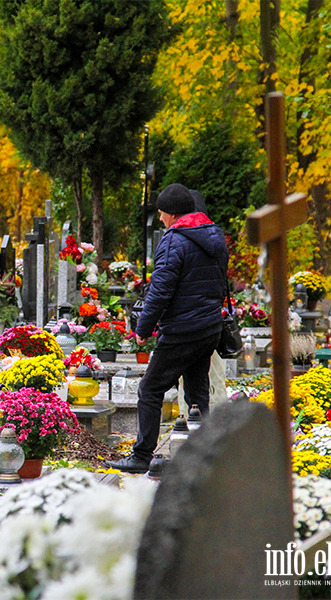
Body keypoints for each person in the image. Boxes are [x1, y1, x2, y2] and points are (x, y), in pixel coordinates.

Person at [106, 183, 229, 473]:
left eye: (162, 213)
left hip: (182, 330)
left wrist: (143, 328)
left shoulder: (175, 240)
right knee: (197, 395)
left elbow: (160, 290)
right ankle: (204, 455)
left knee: (150, 388)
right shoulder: (213, 235)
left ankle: (141, 456)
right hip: (209, 326)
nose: (160, 219)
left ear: (173, 214)